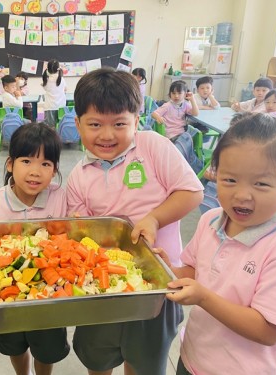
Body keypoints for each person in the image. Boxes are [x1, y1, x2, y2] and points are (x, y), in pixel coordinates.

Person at [66, 67, 203, 375]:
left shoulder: (153, 146)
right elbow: (79, 228)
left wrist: (154, 219)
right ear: (78, 125)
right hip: (102, 287)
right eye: (94, 124)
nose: (106, 134)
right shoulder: (78, 176)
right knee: (98, 356)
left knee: (144, 361)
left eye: (119, 124)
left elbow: (191, 192)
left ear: (136, 121)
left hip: (156, 284)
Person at [154, 113, 276, 375]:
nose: (241, 194)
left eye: (261, 183)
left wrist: (203, 298)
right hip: (194, 358)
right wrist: (164, 269)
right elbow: (195, 272)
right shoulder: (210, 221)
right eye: (229, 180)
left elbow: (268, 330)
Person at [0, 122, 69, 375]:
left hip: (49, 293)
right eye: (27, 161)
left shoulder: (59, 197)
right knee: (14, 344)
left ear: (54, 171)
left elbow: (65, 241)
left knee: (47, 346)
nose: (35, 171)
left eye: (45, 164)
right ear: (10, 164)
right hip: (9, 293)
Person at [42, 59, 67, 128]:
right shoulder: (61, 79)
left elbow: (45, 87)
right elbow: (65, 89)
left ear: (48, 69)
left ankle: (51, 139)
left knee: (50, 128)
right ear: (58, 68)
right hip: (61, 106)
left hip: (49, 106)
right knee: (61, 126)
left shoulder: (46, 80)